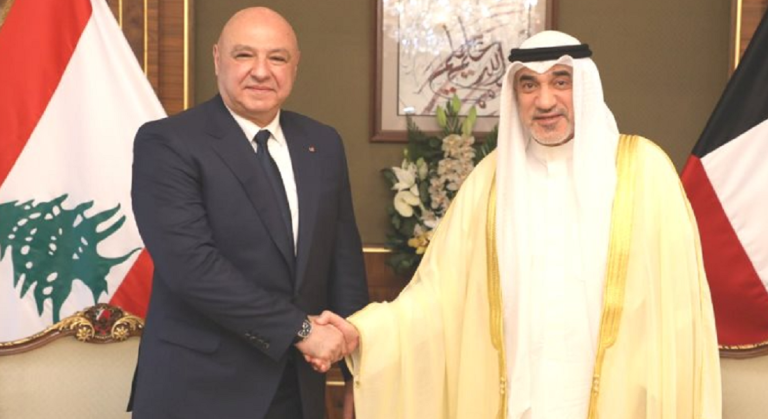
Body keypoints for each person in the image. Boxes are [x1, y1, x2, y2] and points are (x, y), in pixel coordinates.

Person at [317, 30, 722, 419]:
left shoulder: (644, 170)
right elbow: (436, 297)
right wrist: (363, 333)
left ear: (584, 85)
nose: (545, 101)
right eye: (529, 85)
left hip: (619, 399)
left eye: (560, 81)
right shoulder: (492, 180)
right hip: (516, 402)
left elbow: (680, 309)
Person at [128, 7, 368, 419]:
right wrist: (302, 330)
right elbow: (192, 269)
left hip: (298, 390)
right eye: (244, 55)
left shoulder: (323, 143)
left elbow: (343, 265)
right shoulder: (167, 143)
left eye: (277, 58)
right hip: (198, 392)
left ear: (295, 65)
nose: (261, 71)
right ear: (217, 58)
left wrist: (357, 378)